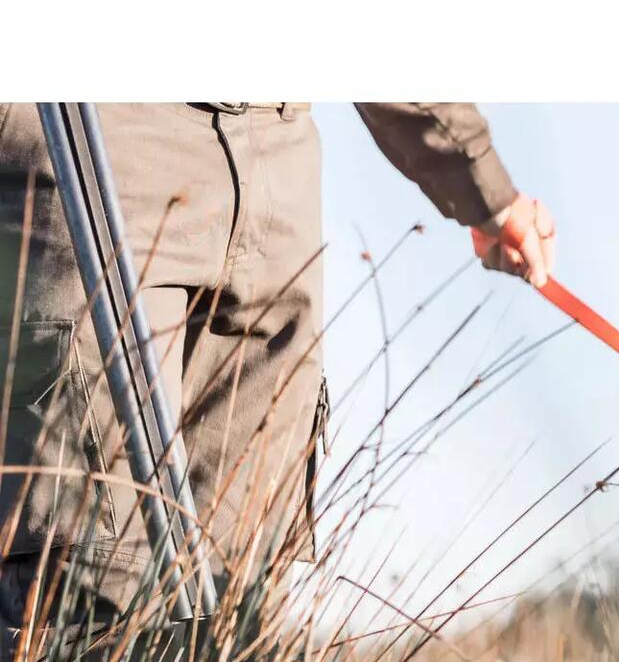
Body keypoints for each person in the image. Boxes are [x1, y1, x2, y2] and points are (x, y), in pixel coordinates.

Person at [0, 102, 555, 648]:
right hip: (92, 135)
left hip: (277, 154)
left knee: (238, 590)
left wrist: (481, 185)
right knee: (88, 583)